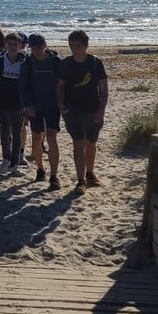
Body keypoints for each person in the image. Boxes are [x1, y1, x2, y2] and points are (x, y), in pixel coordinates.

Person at [57, 29, 109, 194]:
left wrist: (101, 111)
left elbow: (104, 89)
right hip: (73, 109)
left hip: (93, 108)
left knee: (91, 143)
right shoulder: (65, 63)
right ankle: (80, 180)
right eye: (71, 45)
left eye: (77, 45)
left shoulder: (95, 63)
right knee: (78, 143)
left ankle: (90, 173)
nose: (74, 48)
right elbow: (60, 86)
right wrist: (61, 104)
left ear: (85, 45)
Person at [20, 33, 62, 190]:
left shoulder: (56, 61)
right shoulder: (27, 63)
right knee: (37, 137)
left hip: (53, 105)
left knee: (51, 137)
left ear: (45, 45)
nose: (36, 51)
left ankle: (54, 175)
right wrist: (28, 105)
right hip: (35, 106)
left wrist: (62, 103)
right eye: (33, 48)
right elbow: (23, 87)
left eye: (38, 48)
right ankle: (40, 169)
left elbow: (62, 84)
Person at [0, 32, 27, 168]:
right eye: (9, 44)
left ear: (20, 46)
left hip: (19, 103)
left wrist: (27, 105)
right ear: (5, 45)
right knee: (5, 131)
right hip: (3, 103)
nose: (12, 47)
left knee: (17, 133)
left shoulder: (24, 63)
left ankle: (15, 163)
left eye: (15, 44)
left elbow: (28, 85)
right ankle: (6, 158)